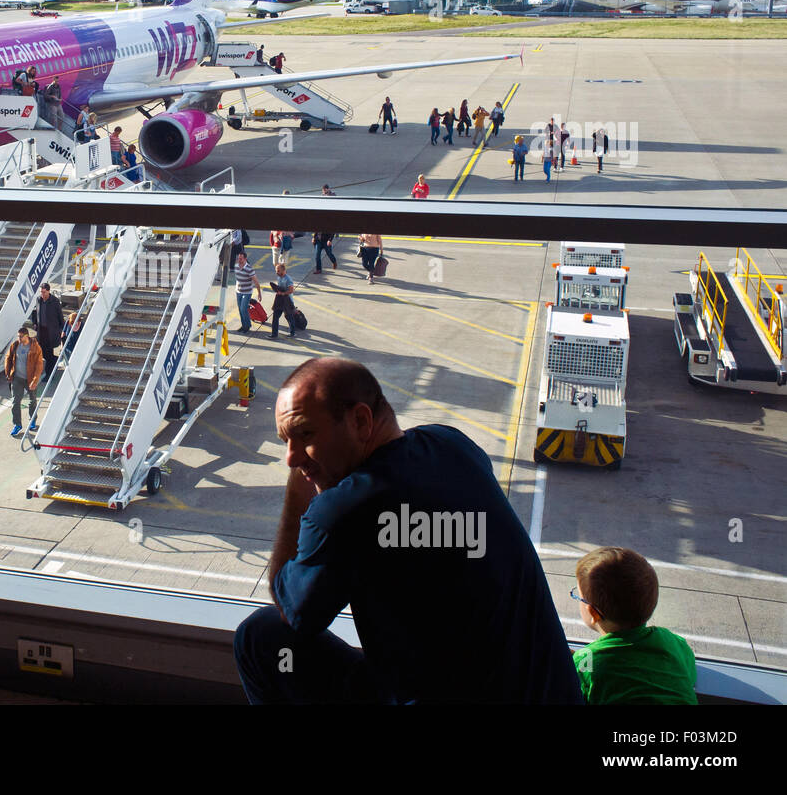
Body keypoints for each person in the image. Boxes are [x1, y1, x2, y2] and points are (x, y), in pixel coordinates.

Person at [233, 358, 583, 704]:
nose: (292, 459)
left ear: (360, 420)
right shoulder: (453, 445)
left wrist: (299, 494)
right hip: (551, 692)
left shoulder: (344, 510)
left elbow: (294, 614)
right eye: (286, 442)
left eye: (304, 434)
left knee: (261, 637)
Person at [571, 547, 698, 705]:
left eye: (578, 595)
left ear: (593, 613)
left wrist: (575, 659)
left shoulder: (587, 660)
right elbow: (690, 675)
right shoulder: (672, 643)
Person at [4, 326, 43, 437]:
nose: (19, 338)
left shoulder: (35, 348)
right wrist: (8, 373)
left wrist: (35, 380)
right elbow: (8, 357)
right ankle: (17, 425)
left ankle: (32, 421)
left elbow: (39, 365)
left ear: (27, 336)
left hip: (30, 379)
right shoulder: (15, 345)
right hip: (17, 378)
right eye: (18, 336)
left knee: (32, 400)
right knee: (15, 402)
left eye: (21, 337)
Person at [31, 281, 65, 383]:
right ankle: (52, 365)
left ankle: (49, 374)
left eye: (44, 292)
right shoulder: (38, 300)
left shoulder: (55, 301)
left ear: (49, 291)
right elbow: (35, 312)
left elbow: (60, 317)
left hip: (51, 332)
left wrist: (62, 330)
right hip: (41, 332)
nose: (42, 294)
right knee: (43, 353)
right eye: (41, 292)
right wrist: (35, 323)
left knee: (48, 353)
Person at [269, 262, 299, 339]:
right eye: (276, 270)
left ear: (283, 270)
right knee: (275, 317)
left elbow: (291, 290)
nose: (276, 272)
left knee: (289, 317)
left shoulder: (288, 279)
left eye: (278, 271)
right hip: (280, 301)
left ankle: (292, 333)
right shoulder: (279, 277)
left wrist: (282, 293)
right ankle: (274, 334)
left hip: (287, 302)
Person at [234, 252, 262, 334]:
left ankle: (247, 326)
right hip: (238, 291)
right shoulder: (236, 267)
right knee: (240, 309)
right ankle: (244, 325)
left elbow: (256, 282)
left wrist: (259, 293)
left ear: (245, 259)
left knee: (243, 309)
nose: (239, 260)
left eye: (241, 258)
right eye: (238, 258)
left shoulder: (249, 269)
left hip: (247, 292)